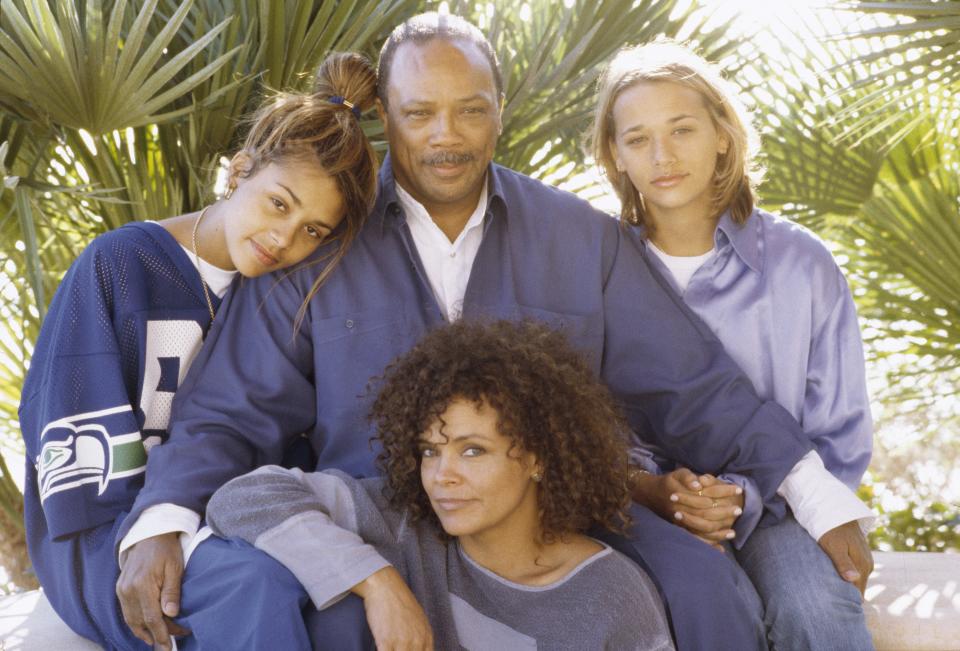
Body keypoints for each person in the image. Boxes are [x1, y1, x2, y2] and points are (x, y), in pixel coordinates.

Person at [117, 13, 867, 650]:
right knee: (338, 621)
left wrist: (820, 498)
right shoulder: (323, 241)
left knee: (710, 591)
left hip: (566, 514)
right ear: (385, 115)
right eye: (419, 113)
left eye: (471, 109)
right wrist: (161, 519)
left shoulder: (581, 238)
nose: (447, 135)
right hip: (386, 522)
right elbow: (228, 408)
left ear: (500, 109)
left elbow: (694, 384)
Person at [18, 52, 379, 650]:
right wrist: (154, 529)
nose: (282, 239)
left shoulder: (282, 294)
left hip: (231, 520)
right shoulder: (120, 265)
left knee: (337, 606)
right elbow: (71, 445)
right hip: (105, 531)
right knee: (256, 586)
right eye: (279, 204)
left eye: (313, 229)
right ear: (239, 173)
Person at [589, 40, 875, 649]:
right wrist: (665, 494)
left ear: (722, 134)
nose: (662, 156)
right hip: (644, 514)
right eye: (637, 139)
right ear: (615, 155)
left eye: (682, 129)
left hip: (782, 512)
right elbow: (589, 421)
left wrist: (739, 497)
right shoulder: (596, 270)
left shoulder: (803, 264)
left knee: (816, 611)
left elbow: (840, 434)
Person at [205, 320, 675, 650]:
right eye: (430, 450)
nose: (442, 476)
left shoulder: (612, 596)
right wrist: (378, 581)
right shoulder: (403, 527)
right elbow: (244, 498)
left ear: (538, 457)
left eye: (473, 450)